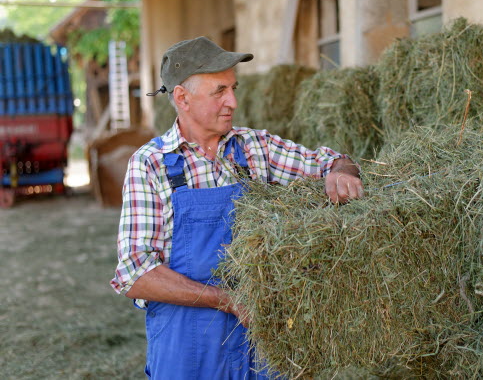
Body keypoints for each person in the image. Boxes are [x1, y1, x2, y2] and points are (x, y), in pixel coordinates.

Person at [110, 36, 364, 379]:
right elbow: (135, 274)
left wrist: (342, 172)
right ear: (182, 98)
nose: (232, 101)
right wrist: (227, 299)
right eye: (219, 91)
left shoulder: (254, 147)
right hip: (189, 345)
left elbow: (331, 160)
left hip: (260, 341)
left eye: (233, 88)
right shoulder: (152, 164)